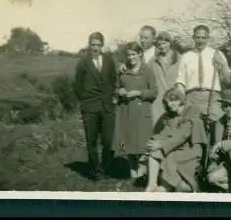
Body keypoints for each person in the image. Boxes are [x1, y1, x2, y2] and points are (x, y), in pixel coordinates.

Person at [144, 87, 208, 193]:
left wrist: (161, 145)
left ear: (181, 100)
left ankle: (169, 186)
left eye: (173, 100)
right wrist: (154, 141)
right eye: (168, 101)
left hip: (191, 150)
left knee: (168, 155)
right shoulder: (171, 115)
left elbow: (182, 135)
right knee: (155, 150)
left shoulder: (192, 113)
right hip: (177, 147)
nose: (170, 104)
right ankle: (151, 185)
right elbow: (166, 132)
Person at [73, 32, 118, 181]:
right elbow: (77, 85)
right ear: (89, 45)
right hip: (90, 106)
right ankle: (95, 170)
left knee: (107, 140)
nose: (95, 48)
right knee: (91, 140)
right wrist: (85, 99)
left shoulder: (109, 61)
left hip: (107, 107)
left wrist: (112, 97)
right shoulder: (83, 63)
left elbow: (114, 79)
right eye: (93, 45)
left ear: (102, 46)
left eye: (98, 45)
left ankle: (106, 167)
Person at [112, 41, 158, 180]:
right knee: (129, 141)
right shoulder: (123, 70)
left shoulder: (147, 71)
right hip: (125, 110)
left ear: (140, 54)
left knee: (143, 143)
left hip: (141, 111)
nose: (131, 57)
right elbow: (116, 88)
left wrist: (138, 93)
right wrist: (119, 90)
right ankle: (132, 171)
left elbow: (154, 92)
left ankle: (142, 171)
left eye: (134, 54)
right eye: (128, 55)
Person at [175, 25, 231, 125]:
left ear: (208, 38)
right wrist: (181, 101)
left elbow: (228, 80)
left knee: (215, 126)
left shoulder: (217, 54)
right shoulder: (186, 56)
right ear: (193, 38)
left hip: (213, 96)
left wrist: (222, 66)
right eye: (198, 37)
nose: (200, 41)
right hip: (192, 97)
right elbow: (181, 81)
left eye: (203, 38)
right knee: (192, 127)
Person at [150, 31, 181, 134]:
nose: (162, 46)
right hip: (159, 100)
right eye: (159, 44)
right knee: (157, 127)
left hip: (175, 98)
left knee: (174, 127)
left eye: (164, 43)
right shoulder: (153, 60)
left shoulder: (179, 58)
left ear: (170, 43)